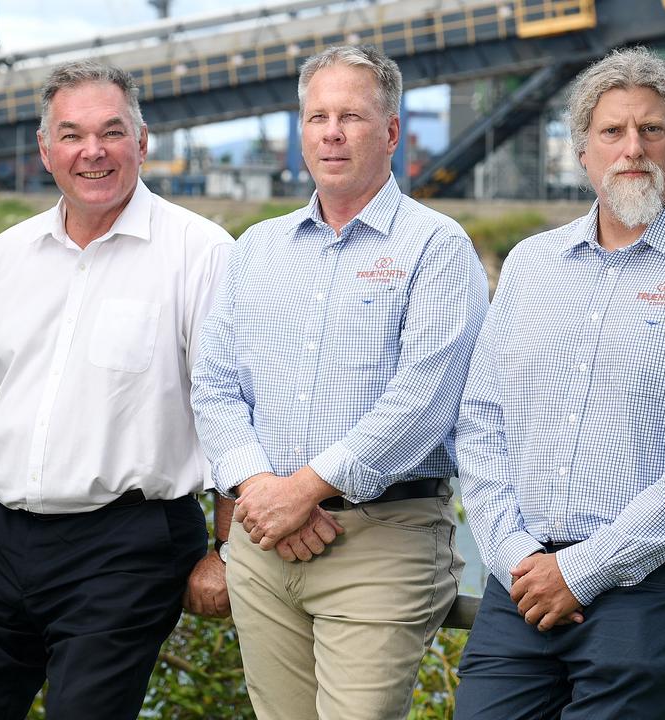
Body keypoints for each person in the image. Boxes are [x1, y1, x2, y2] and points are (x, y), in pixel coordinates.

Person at [453, 47, 665, 719]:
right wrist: (514, 555)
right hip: (524, 581)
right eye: (612, 132)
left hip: (657, 586)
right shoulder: (530, 266)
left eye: (651, 130)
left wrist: (581, 572)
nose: (631, 148)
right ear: (581, 152)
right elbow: (480, 418)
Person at [191, 45, 489, 720]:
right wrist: (262, 490)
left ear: (390, 133)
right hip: (264, 543)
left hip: (380, 545)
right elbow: (213, 384)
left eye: (351, 116)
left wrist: (306, 488)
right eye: (317, 116)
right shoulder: (256, 248)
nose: (331, 132)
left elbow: (425, 400)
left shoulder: (436, 248)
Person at [0, 60, 235, 719]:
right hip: (1, 538)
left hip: (128, 544)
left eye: (111, 132)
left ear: (143, 143)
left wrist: (226, 551)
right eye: (71, 134)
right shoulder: (3, 258)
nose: (92, 152)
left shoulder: (201, 252)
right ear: (45, 149)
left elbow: (232, 413)